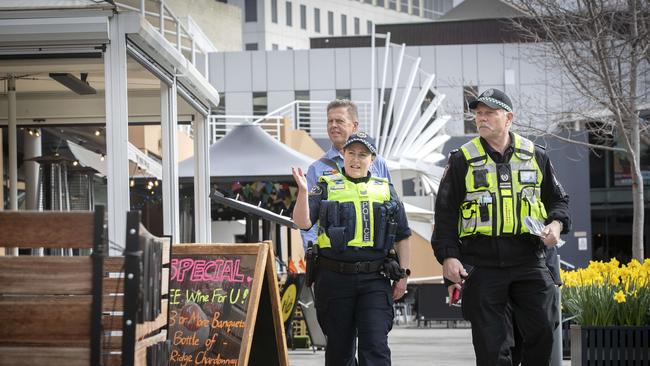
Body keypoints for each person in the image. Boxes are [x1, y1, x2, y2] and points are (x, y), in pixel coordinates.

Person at [431, 88, 571, 366]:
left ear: (508, 118)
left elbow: (559, 200)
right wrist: (448, 256)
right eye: (478, 113)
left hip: (529, 258)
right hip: (482, 264)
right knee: (492, 348)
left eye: (489, 113)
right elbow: (445, 215)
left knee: (543, 332)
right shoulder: (461, 160)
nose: (481, 119)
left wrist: (555, 224)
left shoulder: (535, 155)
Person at [292, 132, 411, 366]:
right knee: (340, 351)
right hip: (334, 279)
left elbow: (403, 235)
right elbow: (302, 223)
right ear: (343, 155)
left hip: (375, 279)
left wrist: (404, 276)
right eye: (351, 153)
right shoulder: (325, 185)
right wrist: (303, 192)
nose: (356, 160)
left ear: (373, 159)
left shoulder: (385, 189)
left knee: (375, 346)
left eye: (362, 155)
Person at [301, 99, 392, 249]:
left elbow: (391, 208)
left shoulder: (378, 163)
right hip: (333, 259)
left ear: (354, 126)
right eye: (330, 121)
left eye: (339, 121)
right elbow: (309, 221)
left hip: (374, 258)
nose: (333, 125)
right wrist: (311, 252)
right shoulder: (316, 169)